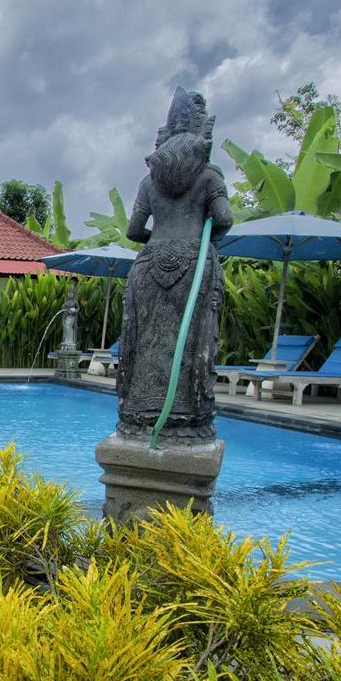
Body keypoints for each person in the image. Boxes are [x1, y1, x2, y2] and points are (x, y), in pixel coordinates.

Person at [116, 90, 233, 441]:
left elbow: (134, 231)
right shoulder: (209, 176)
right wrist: (199, 239)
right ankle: (188, 418)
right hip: (194, 263)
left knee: (145, 338)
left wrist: (160, 238)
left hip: (149, 264)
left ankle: (136, 414)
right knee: (191, 339)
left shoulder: (149, 181)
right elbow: (224, 219)